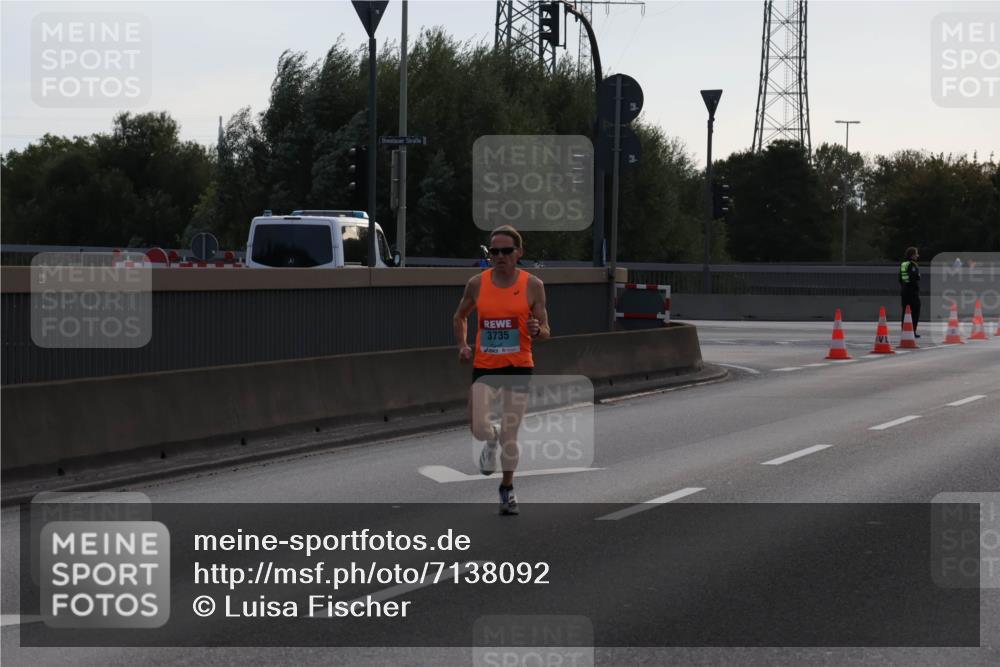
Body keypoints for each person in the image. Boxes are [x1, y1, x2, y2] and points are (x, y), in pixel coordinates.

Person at [453, 225, 550, 515]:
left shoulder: (533, 285)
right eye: (494, 251)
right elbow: (460, 315)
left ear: (518, 253)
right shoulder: (477, 283)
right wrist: (462, 344)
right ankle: (489, 439)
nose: (500, 256)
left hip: (519, 366)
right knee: (478, 426)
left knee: (511, 434)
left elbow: (545, 329)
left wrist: (537, 329)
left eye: (506, 251)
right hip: (486, 365)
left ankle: (507, 488)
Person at [900, 246, 921, 338]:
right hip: (912, 292)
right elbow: (914, 278)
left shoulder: (903, 264)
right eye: (916, 254)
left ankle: (904, 330)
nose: (917, 255)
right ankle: (912, 331)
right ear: (912, 255)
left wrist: (904, 287)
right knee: (915, 311)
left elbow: (900, 279)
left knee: (905, 312)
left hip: (904, 291)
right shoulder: (913, 265)